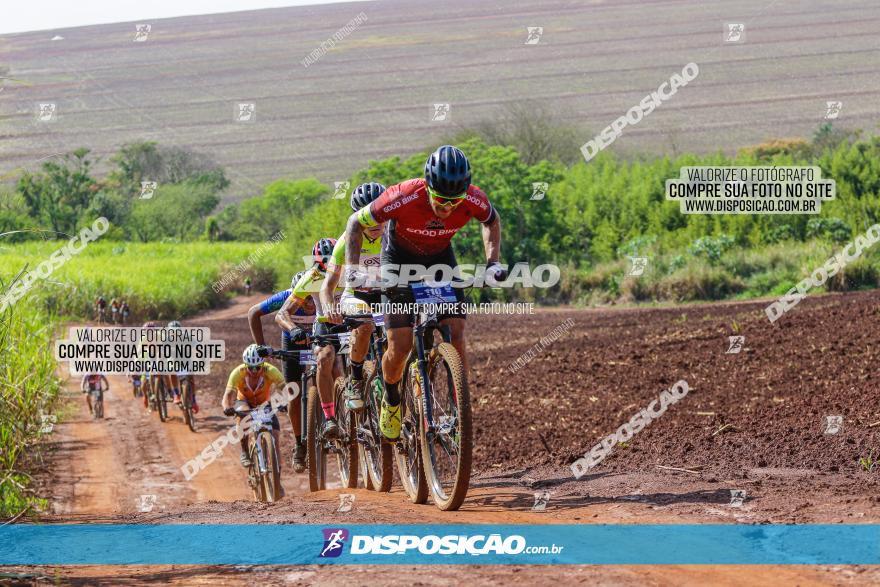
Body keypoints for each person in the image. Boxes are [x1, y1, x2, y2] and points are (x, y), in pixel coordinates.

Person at [340, 145, 505, 440]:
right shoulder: (403, 195)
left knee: (455, 330)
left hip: (440, 259)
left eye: (454, 201)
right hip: (398, 259)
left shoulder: (473, 198)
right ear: (428, 186)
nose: (447, 207)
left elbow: (491, 221)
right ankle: (391, 401)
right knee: (400, 347)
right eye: (440, 199)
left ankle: (458, 410)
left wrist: (493, 263)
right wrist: (353, 271)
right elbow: (355, 223)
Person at [321, 182, 387, 413]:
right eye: (369, 218)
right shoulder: (344, 242)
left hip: (388, 295)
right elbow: (327, 288)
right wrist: (331, 308)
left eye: (380, 215)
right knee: (365, 323)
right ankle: (356, 379)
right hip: (356, 296)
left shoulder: (396, 233)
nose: (376, 223)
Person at [248, 271, 315, 471]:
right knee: (293, 393)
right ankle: (299, 444)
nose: (308, 302)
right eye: (303, 298)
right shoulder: (286, 297)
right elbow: (253, 312)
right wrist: (261, 346)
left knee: (328, 371)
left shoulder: (322, 293)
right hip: (292, 341)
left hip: (316, 338)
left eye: (311, 296)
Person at [276, 238, 342, 440]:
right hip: (326, 324)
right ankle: (330, 418)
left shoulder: (355, 270)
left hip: (353, 318)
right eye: (325, 266)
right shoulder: (311, 277)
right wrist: (293, 329)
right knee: (325, 359)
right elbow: (281, 313)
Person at [221, 344, 285, 483]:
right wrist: (227, 407)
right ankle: (244, 451)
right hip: (244, 401)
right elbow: (228, 394)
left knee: (275, 437)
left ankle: (276, 480)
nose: (254, 370)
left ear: (263, 364)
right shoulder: (238, 372)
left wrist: (284, 401)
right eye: (251, 367)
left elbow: (285, 388)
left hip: (264, 404)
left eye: (258, 367)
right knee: (242, 413)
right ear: (245, 365)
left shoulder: (271, 371)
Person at [164, 320, 199, 413]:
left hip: (186, 359)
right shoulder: (167, 340)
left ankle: (194, 400)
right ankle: (176, 394)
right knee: (171, 371)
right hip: (173, 360)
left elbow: (197, 347)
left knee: (191, 378)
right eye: (172, 332)